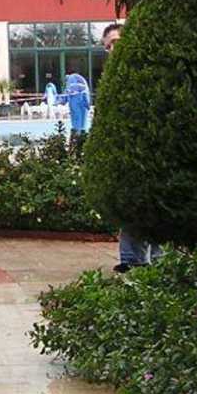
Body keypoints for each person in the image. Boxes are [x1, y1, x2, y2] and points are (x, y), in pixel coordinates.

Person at [99, 21, 159, 272]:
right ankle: (131, 261)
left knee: (155, 209)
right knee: (128, 208)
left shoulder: (147, 72)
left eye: (116, 42)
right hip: (123, 156)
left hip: (150, 152)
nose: (112, 49)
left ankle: (160, 263)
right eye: (108, 46)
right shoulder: (111, 80)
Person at [63, 69, 91, 135]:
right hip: (83, 101)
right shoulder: (81, 79)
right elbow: (85, 92)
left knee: (76, 118)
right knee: (83, 120)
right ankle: (83, 133)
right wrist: (87, 103)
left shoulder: (70, 79)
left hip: (74, 100)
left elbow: (68, 93)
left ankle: (76, 133)